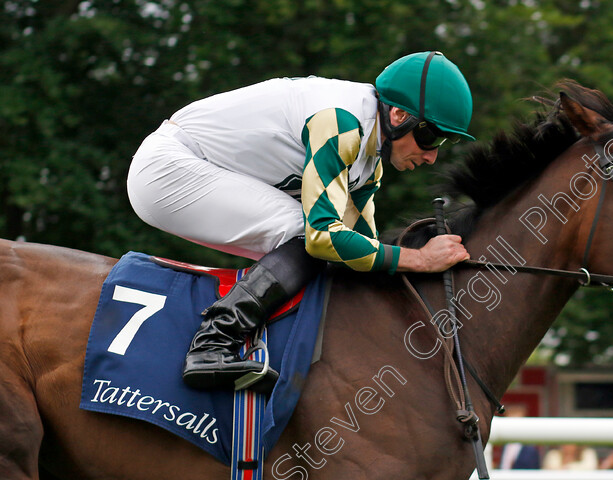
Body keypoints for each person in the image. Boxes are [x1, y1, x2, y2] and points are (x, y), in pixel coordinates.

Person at [127, 51, 474, 391]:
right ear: (398, 114)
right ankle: (212, 345)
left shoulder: (370, 160)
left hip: (194, 169)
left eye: (443, 142)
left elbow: (363, 248)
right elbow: (322, 237)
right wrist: (418, 258)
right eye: (430, 137)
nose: (432, 156)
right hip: (168, 168)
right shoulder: (341, 123)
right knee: (308, 233)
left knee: (333, 250)